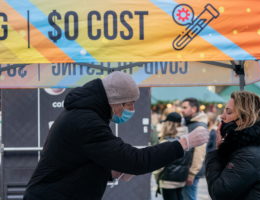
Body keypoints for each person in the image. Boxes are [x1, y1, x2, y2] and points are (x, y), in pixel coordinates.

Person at [23, 71, 209, 200]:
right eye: (129, 104)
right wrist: (183, 143)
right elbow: (136, 160)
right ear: (115, 101)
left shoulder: (84, 115)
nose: (132, 110)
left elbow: (78, 163)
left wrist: (111, 172)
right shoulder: (87, 122)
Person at [205, 91, 260, 200]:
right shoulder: (250, 146)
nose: (222, 116)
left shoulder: (249, 153)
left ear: (245, 118)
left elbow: (218, 193)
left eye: (229, 112)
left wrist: (216, 151)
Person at [155, 112, 193, 200]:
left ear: (168, 124)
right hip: (181, 178)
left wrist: (156, 177)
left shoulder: (165, 142)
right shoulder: (187, 139)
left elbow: (158, 166)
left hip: (167, 179)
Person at [181, 98, 208, 200]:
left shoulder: (199, 126)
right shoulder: (190, 123)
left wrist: (192, 174)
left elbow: (199, 153)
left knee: (189, 197)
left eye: (185, 107)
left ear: (193, 109)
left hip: (190, 171)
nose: (182, 110)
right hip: (186, 169)